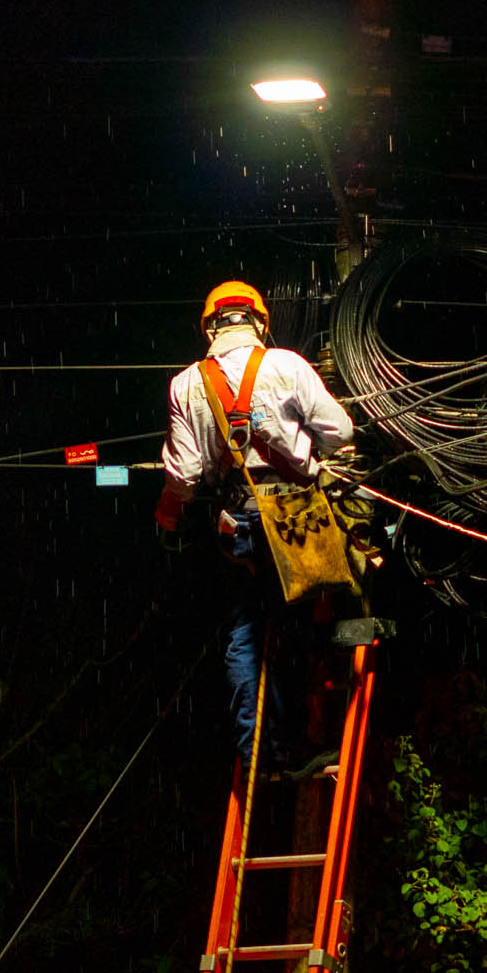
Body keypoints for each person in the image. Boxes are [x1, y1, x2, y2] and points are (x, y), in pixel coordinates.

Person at [156, 280, 355, 768]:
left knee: (245, 635)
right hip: (295, 517)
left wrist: (167, 515)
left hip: (237, 522)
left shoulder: (186, 384)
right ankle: (295, 746)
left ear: (209, 327)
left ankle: (257, 753)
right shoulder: (286, 365)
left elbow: (184, 475)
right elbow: (341, 432)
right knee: (295, 628)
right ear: (259, 322)